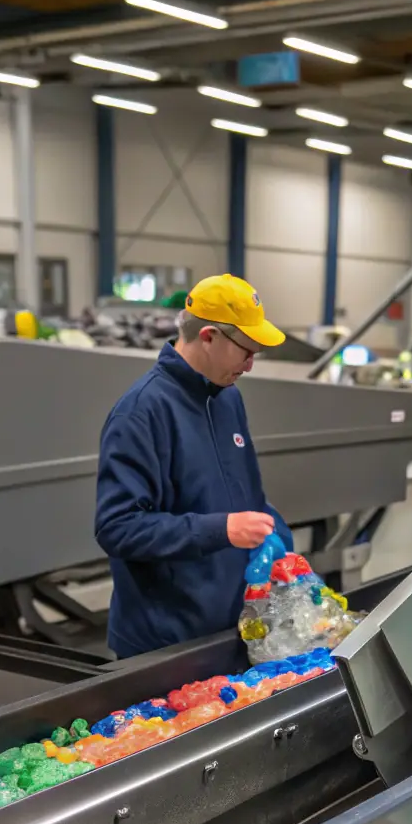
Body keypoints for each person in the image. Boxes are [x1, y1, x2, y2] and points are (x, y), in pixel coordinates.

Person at [95, 274, 293, 659]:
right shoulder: (141, 413)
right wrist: (220, 529)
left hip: (229, 631)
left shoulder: (227, 400)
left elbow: (248, 496)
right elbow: (117, 527)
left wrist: (280, 541)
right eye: (245, 351)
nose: (250, 366)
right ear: (208, 337)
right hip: (167, 647)